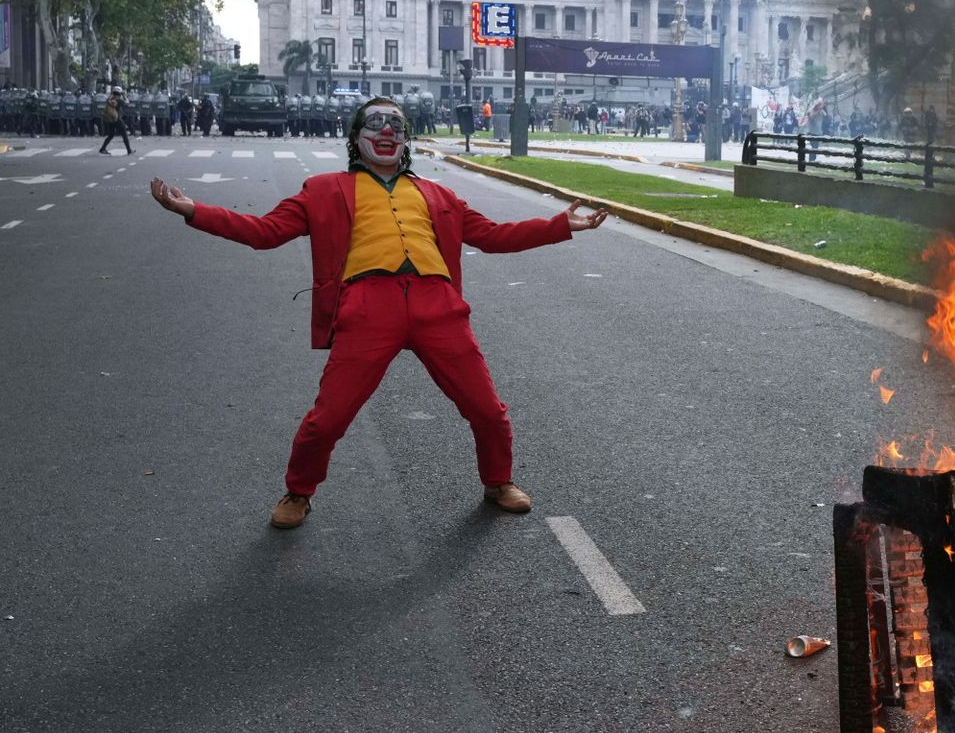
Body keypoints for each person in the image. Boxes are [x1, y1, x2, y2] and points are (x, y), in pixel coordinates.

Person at [148, 97, 610, 529]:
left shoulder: (438, 194)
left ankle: (498, 481)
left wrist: (557, 226)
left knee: (487, 409)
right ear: (355, 137)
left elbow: (491, 235)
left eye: (396, 124)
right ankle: (298, 491)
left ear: (406, 139)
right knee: (328, 418)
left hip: (439, 306)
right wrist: (194, 211)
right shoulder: (323, 189)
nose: (387, 130)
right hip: (367, 307)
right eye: (375, 122)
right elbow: (265, 231)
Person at [98, 86, 132, 155]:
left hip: (111, 120)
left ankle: (102, 148)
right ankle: (129, 150)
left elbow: (107, 100)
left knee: (110, 135)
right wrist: (124, 95)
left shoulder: (110, 100)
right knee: (124, 134)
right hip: (118, 120)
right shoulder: (119, 100)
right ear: (120, 93)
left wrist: (111, 95)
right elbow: (128, 103)